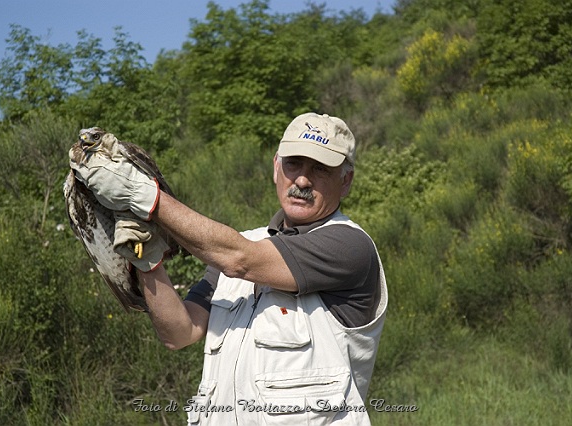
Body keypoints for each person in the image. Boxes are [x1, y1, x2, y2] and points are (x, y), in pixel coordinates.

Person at [71, 112, 388, 425]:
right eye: (294, 164)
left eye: (320, 168)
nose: (303, 180)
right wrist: (147, 259)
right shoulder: (245, 244)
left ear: (345, 181)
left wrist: (142, 195)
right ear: (277, 167)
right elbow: (180, 333)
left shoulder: (350, 247)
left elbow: (241, 260)